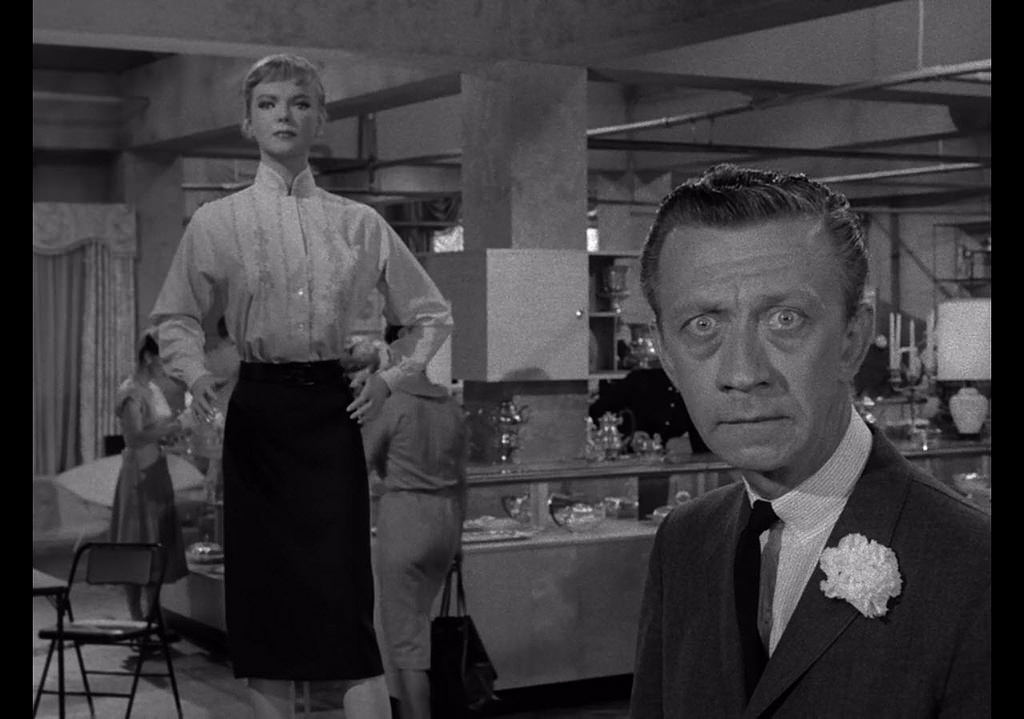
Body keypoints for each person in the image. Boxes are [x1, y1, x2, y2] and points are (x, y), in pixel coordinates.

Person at [149, 54, 452, 719]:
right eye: (268, 104)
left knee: (345, 606)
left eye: (299, 102)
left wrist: (392, 379)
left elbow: (431, 315)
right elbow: (174, 316)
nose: (283, 115)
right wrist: (196, 374)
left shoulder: (359, 223)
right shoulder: (216, 222)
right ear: (247, 122)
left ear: (321, 119)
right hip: (257, 415)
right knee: (266, 608)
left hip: (331, 411)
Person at [629, 164, 990, 717]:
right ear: (667, 355)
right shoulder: (684, 539)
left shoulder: (972, 566)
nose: (743, 372)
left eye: (785, 319)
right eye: (703, 324)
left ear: (852, 339)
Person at [361, 327, 467, 719]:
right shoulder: (449, 405)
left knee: (406, 644)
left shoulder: (392, 404)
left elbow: (361, 460)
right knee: (420, 628)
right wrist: (458, 541)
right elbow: (462, 479)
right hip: (445, 522)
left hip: (405, 520)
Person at [109, 333, 189, 620]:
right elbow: (134, 436)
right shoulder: (131, 391)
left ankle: (153, 613)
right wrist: (172, 427)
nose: (164, 367)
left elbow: (155, 429)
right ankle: (136, 615)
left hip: (156, 467)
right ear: (148, 357)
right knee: (137, 539)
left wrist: (172, 434)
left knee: (158, 538)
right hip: (139, 473)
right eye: (162, 359)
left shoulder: (152, 389)